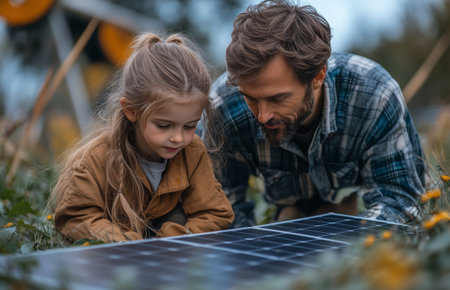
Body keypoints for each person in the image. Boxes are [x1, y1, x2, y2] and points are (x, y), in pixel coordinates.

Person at [199, 0, 428, 228]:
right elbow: (221, 205)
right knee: (289, 219)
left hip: (350, 206)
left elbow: (398, 198)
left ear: (318, 77)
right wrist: (254, 250)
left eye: (277, 98)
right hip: (287, 207)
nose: (263, 116)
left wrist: (353, 251)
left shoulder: (375, 95)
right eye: (250, 98)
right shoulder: (224, 108)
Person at [53, 32, 234, 243]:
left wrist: (166, 240)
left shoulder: (192, 151)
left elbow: (216, 214)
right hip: (115, 261)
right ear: (131, 111)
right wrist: (131, 244)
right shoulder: (93, 160)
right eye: (164, 125)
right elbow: (76, 218)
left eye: (190, 126)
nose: (178, 138)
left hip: (170, 257)